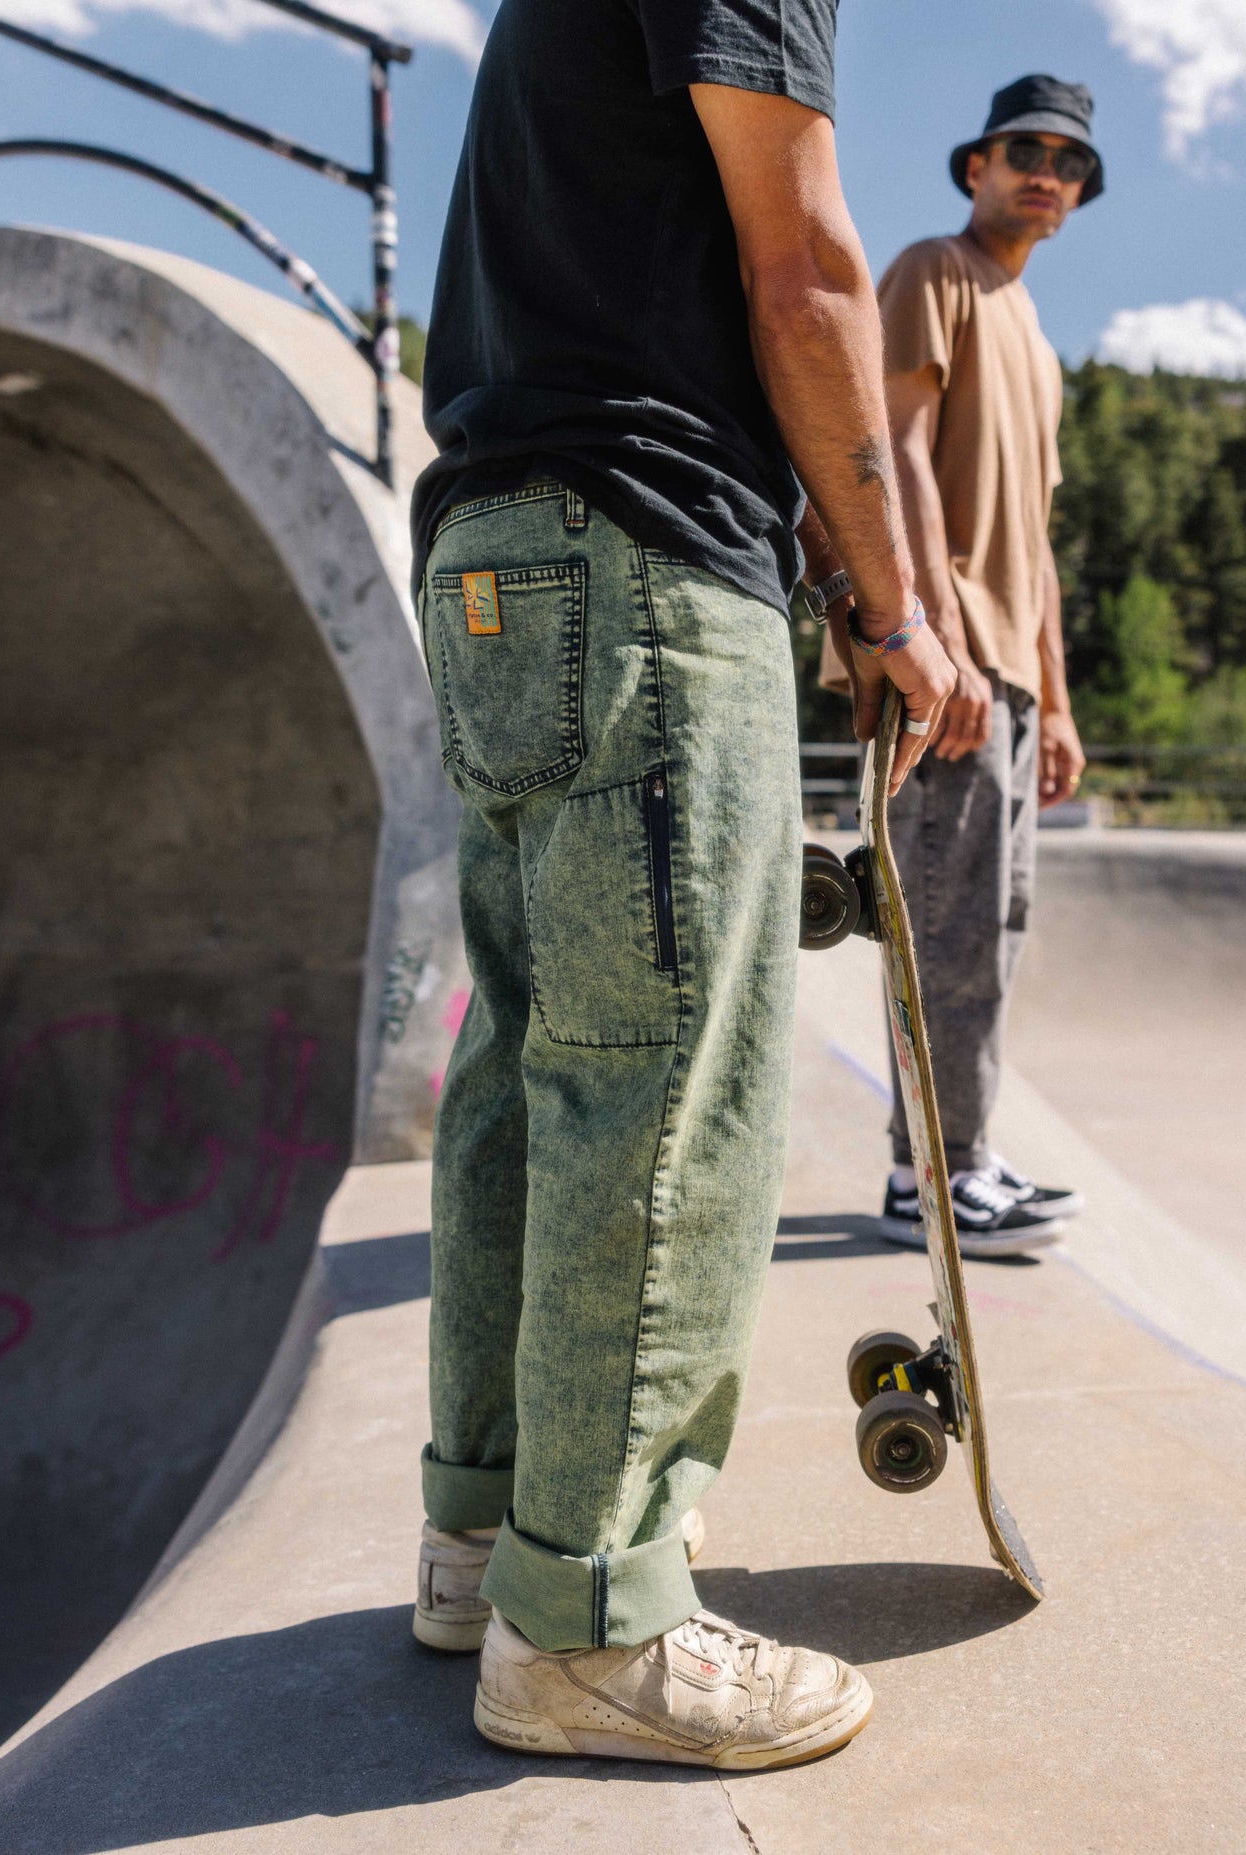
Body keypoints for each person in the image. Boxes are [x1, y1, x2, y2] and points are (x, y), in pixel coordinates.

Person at [408, 0, 955, 1769]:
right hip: (639, 556)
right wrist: (887, 598)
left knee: (535, 1056)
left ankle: (488, 1539)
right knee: (668, 1087)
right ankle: (592, 1623)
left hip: (499, 540)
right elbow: (804, 266)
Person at [822, 75, 1095, 1258]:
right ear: (974, 166)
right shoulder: (935, 272)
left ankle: (968, 1157)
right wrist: (945, 635)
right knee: (943, 929)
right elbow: (902, 454)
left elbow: (1032, 539)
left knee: (995, 930)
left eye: (1069, 161)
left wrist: (1059, 700)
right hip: (950, 663)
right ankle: (922, 1177)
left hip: (1014, 676)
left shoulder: (1032, 330)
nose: (1046, 171)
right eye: (1023, 149)